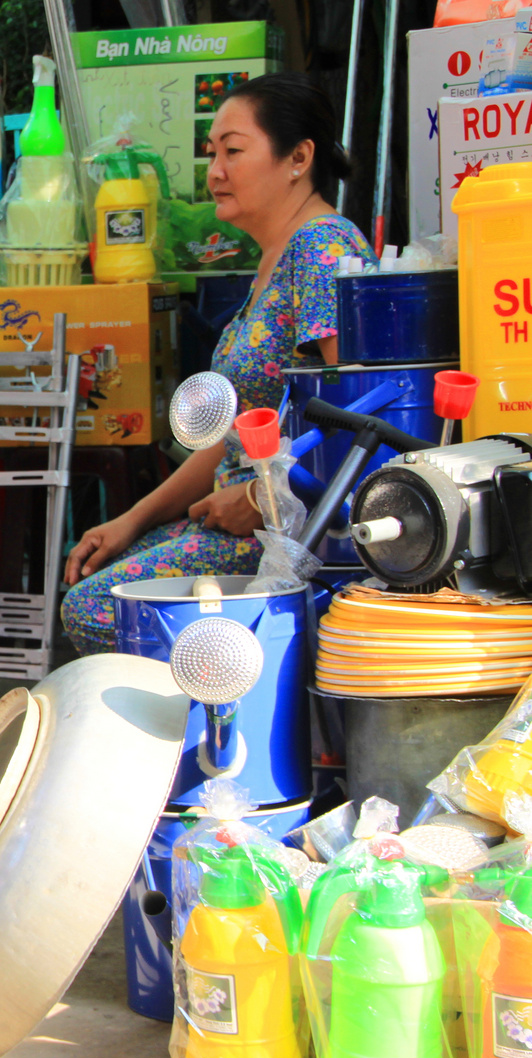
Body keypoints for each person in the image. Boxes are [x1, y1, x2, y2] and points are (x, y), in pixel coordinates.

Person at [60, 72, 374, 654]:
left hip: (285, 536)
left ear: (298, 157)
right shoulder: (272, 262)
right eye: (212, 154)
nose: (216, 171)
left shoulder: (322, 247)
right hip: (233, 517)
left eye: (234, 150)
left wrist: (262, 498)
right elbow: (230, 438)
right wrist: (132, 518)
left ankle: (213, 738)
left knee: (98, 609)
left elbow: (359, 418)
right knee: (93, 567)